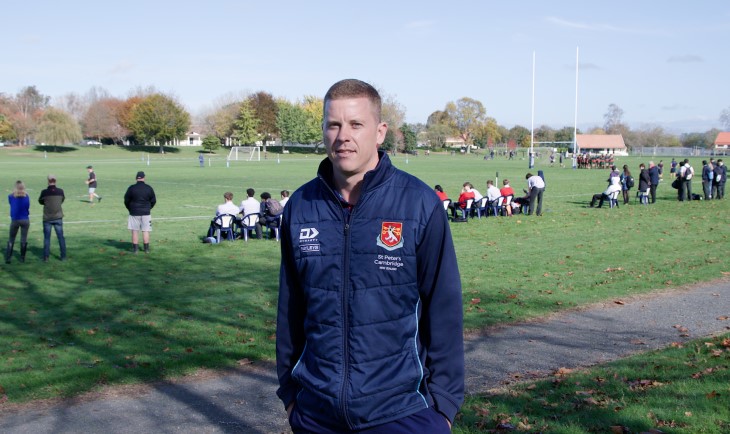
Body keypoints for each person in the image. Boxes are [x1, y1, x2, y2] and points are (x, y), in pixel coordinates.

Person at [276, 79, 463, 433]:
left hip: (403, 413)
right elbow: (291, 309)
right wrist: (291, 396)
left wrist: (444, 408)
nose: (343, 135)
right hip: (316, 415)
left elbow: (445, 309)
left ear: (379, 132)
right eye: (333, 124)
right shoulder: (301, 206)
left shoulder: (419, 204)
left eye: (355, 124)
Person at [124, 171, 156, 253]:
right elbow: (153, 200)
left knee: (135, 231)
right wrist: (148, 208)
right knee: (146, 231)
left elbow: (126, 200)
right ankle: (146, 249)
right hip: (146, 212)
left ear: (136, 178)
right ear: (144, 178)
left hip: (134, 212)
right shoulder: (148, 188)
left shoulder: (131, 188)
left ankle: (135, 250)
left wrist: (130, 208)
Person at [38, 175, 66, 262]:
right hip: (58, 217)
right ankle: (63, 256)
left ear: (48, 181)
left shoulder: (44, 192)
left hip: (47, 218)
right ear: (55, 181)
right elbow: (62, 200)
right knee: (60, 237)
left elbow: (40, 201)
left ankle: (46, 257)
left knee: (47, 238)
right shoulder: (60, 191)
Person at [5, 180, 31, 264]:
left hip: (15, 219)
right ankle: (22, 258)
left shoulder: (11, 196)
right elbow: (27, 206)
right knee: (23, 239)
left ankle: (8, 258)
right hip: (25, 220)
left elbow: (11, 203)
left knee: (11, 238)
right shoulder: (26, 196)